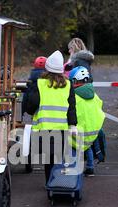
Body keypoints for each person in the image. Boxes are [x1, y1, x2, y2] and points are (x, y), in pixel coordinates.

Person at [25, 50, 77, 183]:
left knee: (48, 160)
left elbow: (31, 106)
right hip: (61, 129)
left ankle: (50, 183)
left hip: (43, 129)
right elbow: (71, 107)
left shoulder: (40, 84)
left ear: (47, 68)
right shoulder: (68, 85)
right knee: (58, 159)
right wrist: (72, 125)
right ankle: (58, 184)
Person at [68, 66, 105, 176]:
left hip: (77, 130)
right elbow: (99, 107)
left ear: (74, 81)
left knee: (73, 148)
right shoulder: (93, 94)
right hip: (91, 131)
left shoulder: (73, 96)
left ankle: (74, 168)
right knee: (87, 147)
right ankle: (90, 167)